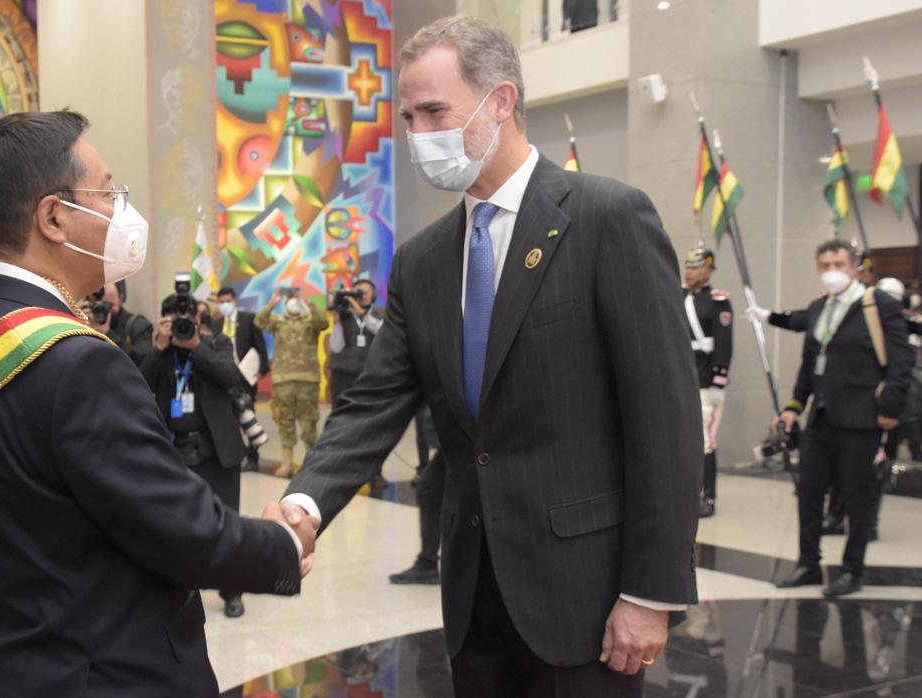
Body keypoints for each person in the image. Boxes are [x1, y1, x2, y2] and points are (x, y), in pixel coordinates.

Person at [274, 16, 702, 696]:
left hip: (586, 599)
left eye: (434, 111)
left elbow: (665, 420)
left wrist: (652, 593)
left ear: (500, 101)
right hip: (475, 598)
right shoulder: (422, 261)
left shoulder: (606, 219)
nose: (419, 133)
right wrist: (305, 502)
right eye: (409, 116)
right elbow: (374, 402)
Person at [0, 110, 312, 697]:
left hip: (1, 665)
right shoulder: (76, 360)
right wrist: (283, 545)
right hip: (105, 674)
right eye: (108, 191)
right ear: (53, 217)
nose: (122, 209)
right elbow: (181, 531)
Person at [774, 239, 912, 598]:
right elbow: (810, 363)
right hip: (821, 418)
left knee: (856, 497)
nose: (831, 271)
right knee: (808, 492)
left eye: (838, 263)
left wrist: (889, 412)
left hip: (862, 418)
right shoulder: (820, 307)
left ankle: (852, 569)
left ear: (853, 266)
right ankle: (808, 564)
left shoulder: (878, 305)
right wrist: (794, 405)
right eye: (824, 265)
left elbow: (902, 363)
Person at [141, 295, 249, 618]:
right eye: (174, 317)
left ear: (199, 316)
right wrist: (158, 348)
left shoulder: (217, 342)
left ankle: (232, 591)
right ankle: (179, 592)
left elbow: (231, 377)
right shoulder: (160, 352)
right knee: (176, 528)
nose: (181, 323)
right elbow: (135, 383)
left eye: (186, 316)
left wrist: (195, 347)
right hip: (174, 450)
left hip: (217, 451)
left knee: (226, 526)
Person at [255, 290, 329, 478]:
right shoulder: (279, 321)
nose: (294, 303)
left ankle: (310, 464)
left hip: (307, 380)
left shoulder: (310, 322)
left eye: (297, 299)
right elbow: (259, 321)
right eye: (291, 300)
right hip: (283, 380)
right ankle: (287, 463)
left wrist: (309, 304)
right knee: (284, 421)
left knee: (309, 423)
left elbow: (323, 322)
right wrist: (272, 303)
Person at [682, 247, 733, 518]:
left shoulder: (717, 302)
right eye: (687, 266)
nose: (689, 272)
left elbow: (724, 344)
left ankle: (708, 496)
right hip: (683, 379)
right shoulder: (678, 296)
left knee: (705, 441)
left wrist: (718, 381)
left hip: (705, 382)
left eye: (695, 267)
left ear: (708, 269)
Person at [213, 287, 270, 471]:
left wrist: (262, 370)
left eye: (227, 301)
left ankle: (253, 458)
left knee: (249, 415)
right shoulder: (217, 324)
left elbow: (260, 346)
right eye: (221, 302)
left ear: (235, 301)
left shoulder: (249, 319)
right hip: (225, 377)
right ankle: (236, 455)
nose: (225, 305)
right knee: (230, 419)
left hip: (246, 377)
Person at [389, 405, 444, 586]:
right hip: (453, 438)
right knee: (429, 490)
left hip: (469, 436)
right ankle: (428, 563)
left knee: (431, 490)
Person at [328, 279, 384, 407]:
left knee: (368, 415)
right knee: (340, 414)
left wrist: (363, 314)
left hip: (371, 374)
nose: (363, 295)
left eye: (366, 292)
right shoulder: (344, 315)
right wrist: (337, 322)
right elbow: (336, 347)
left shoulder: (381, 314)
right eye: (359, 292)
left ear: (373, 295)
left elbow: (383, 333)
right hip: (343, 373)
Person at [91, 280, 152, 366]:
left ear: (121, 298)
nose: (104, 311)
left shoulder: (138, 325)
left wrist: (108, 334)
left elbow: (143, 362)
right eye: (97, 305)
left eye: (109, 305)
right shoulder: (85, 321)